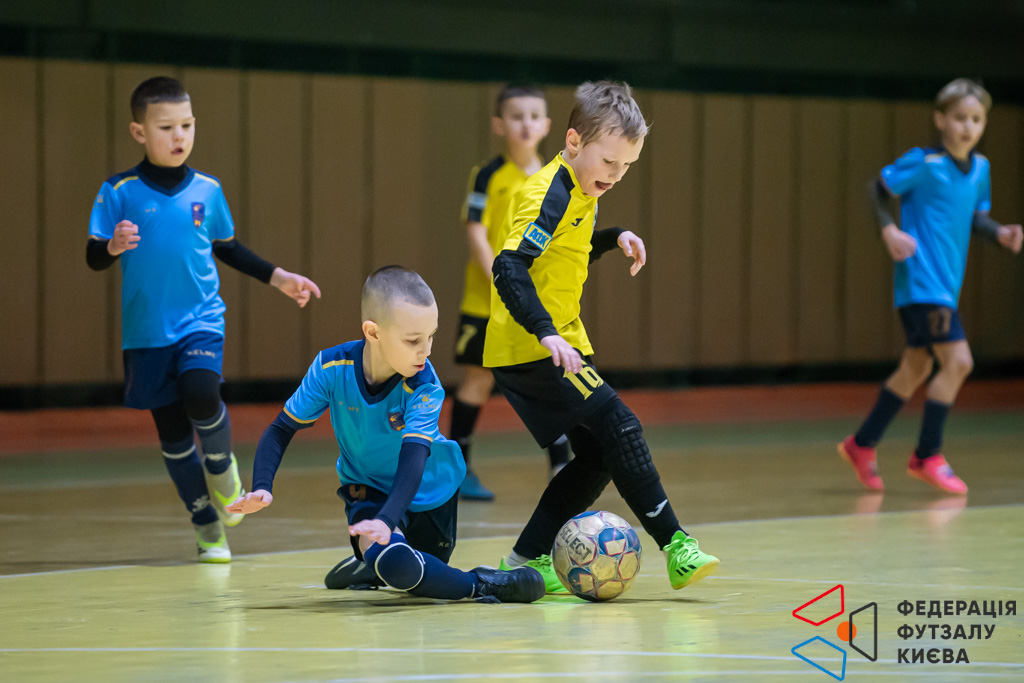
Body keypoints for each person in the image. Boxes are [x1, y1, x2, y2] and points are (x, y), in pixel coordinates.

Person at [484, 81, 720, 594]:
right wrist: (546, 333)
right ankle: (677, 545)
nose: (615, 175)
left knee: (597, 457)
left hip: (557, 342)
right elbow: (509, 267)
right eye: (609, 162)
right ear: (573, 141)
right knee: (622, 426)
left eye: (627, 166)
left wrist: (613, 239)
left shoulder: (580, 188)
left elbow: (562, 254)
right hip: (533, 346)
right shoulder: (548, 192)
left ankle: (525, 559)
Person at [87, 76, 321, 563]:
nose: (179, 136)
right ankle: (207, 525)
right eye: (166, 127)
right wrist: (110, 246)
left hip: (201, 319)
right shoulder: (118, 191)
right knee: (173, 435)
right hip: (146, 333)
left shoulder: (208, 190)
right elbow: (93, 256)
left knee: (201, 390)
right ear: (139, 132)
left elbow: (228, 248)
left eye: (187, 125)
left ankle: (222, 467)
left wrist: (278, 277)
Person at [227, 267, 545, 604]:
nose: (426, 351)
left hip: (428, 489)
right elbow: (281, 428)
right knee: (396, 562)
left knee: (414, 568)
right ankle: (483, 584)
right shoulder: (330, 368)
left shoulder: (423, 385)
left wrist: (387, 520)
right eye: (412, 340)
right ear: (373, 332)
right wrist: (262, 485)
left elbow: (413, 458)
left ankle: (370, 565)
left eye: (431, 336)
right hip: (369, 487)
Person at [838, 78, 1022, 494]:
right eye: (960, 118)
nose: (968, 127)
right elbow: (877, 190)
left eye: (976, 119)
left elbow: (974, 218)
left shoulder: (981, 170)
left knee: (917, 367)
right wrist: (888, 230)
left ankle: (861, 444)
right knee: (959, 362)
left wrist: (999, 233)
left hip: (945, 286)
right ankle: (927, 455)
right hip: (921, 282)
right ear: (940, 119)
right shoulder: (924, 163)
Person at [450, 84, 571, 501]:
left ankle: (562, 469)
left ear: (547, 125)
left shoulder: (557, 178)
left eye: (534, 116)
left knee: (551, 379)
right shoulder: (487, 175)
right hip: (485, 302)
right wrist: (503, 283)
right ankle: (459, 471)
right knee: (478, 379)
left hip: (536, 304)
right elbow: (476, 234)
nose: (526, 124)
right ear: (499, 125)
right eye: (517, 116)